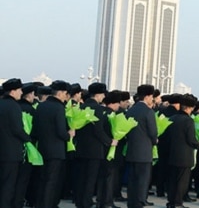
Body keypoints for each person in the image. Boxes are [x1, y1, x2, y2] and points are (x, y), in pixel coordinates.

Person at [32, 79, 74, 208]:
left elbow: (35, 129)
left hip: (42, 147)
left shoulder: (42, 105)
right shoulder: (59, 108)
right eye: (65, 93)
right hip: (56, 150)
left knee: (42, 179)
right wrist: (69, 135)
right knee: (52, 181)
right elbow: (61, 131)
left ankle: (39, 203)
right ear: (61, 93)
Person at [74, 82, 116, 208]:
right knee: (90, 180)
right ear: (98, 94)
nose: (103, 96)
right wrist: (109, 141)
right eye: (103, 94)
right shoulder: (97, 109)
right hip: (94, 150)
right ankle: (86, 203)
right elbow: (98, 130)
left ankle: (79, 202)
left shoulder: (81, 107)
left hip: (80, 147)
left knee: (81, 177)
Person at [125, 84, 158, 208]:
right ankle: (139, 203)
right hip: (144, 153)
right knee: (142, 181)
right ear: (148, 96)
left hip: (132, 150)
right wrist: (155, 140)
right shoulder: (148, 112)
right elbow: (153, 132)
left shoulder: (131, 110)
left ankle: (131, 203)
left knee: (132, 180)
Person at [165, 94, 199, 208]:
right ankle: (178, 203)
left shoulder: (172, 118)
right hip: (185, 156)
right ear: (190, 108)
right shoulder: (188, 121)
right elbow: (191, 139)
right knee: (182, 181)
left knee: (172, 180)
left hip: (172, 154)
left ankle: (171, 202)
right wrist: (197, 143)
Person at [0, 78, 31, 208]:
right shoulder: (14, 107)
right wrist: (28, 139)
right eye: (19, 90)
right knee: (8, 185)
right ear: (12, 91)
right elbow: (17, 129)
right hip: (11, 153)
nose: (21, 92)